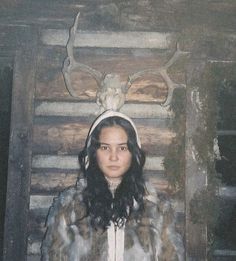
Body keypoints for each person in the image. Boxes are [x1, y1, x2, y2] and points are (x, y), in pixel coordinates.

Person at [41, 110, 184, 261]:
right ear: (94, 153)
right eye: (105, 147)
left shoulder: (157, 208)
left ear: (133, 153)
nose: (113, 157)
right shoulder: (69, 207)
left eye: (122, 148)